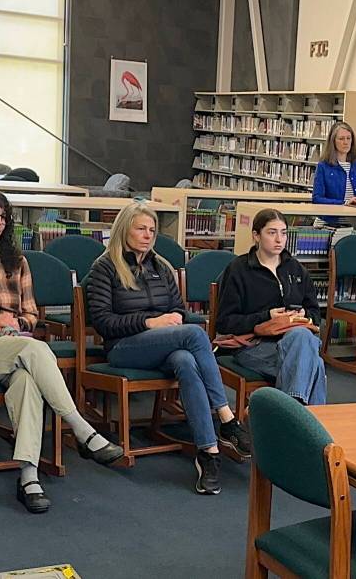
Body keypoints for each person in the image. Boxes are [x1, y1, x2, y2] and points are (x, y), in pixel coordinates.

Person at [0, 189, 123, 514]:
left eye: (3, 216)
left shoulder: (17, 263)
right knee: (33, 350)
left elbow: (32, 315)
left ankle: (29, 477)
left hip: (12, 346)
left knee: (27, 381)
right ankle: (81, 428)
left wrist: (15, 324)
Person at [86, 201, 251, 496]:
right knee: (195, 337)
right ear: (124, 230)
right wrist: (151, 322)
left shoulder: (160, 266)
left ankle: (208, 452)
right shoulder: (104, 267)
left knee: (187, 360)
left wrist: (176, 318)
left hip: (163, 345)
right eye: (141, 229)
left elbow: (179, 309)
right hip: (123, 348)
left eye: (152, 230)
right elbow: (103, 322)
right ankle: (226, 418)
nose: (148, 235)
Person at [215, 208, 327, 405]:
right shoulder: (239, 270)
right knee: (313, 362)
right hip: (253, 346)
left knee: (301, 338)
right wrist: (267, 317)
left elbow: (316, 314)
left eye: (283, 233)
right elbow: (225, 323)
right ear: (256, 236)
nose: (279, 240)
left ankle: (291, 417)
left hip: (293, 342)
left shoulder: (296, 269)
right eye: (271, 232)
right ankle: (303, 418)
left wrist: (303, 314)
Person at [311, 121, 356, 227]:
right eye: (341, 139)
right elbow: (317, 198)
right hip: (328, 223)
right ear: (333, 141)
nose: (346, 142)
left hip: (353, 222)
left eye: (349, 138)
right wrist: (344, 203)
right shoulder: (324, 166)